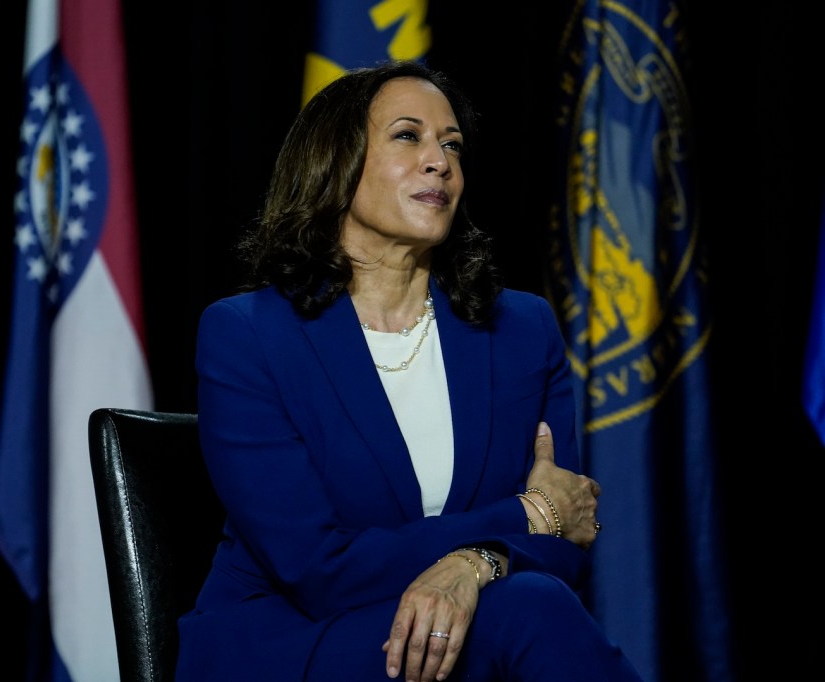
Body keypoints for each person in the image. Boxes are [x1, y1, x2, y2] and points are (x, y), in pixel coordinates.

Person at [176, 60, 642, 682]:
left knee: (532, 603)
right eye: (407, 136)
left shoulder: (523, 330)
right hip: (292, 641)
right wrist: (521, 519)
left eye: (452, 144)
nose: (440, 161)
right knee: (528, 608)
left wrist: (475, 564)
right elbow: (318, 569)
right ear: (336, 160)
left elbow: (570, 537)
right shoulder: (248, 335)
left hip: (471, 625)